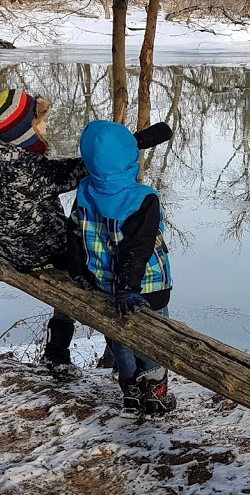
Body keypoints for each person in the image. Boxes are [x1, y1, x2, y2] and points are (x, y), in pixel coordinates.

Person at [0, 89, 87, 379]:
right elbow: (78, 170)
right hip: (41, 252)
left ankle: (57, 355)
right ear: (24, 132)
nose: (45, 128)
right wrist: (124, 146)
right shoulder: (28, 171)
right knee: (96, 256)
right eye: (40, 122)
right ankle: (58, 355)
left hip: (10, 247)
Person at [74, 119, 176, 419]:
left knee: (119, 337)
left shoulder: (84, 190)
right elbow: (139, 248)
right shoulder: (144, 197)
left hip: (104, 282)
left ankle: (131, 394)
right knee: (154, 338)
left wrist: (79, 271)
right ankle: (155, 396)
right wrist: (129, 290)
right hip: (149, 286)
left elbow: (75, 234)